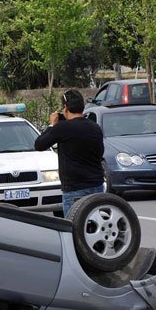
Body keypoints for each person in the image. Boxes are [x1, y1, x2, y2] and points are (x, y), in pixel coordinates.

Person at [34, 89, 104, 217]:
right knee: (93, 224)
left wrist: (52, 125)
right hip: (97, 186)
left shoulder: (62, 128)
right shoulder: (95, 128)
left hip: (74, 189)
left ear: (65, 107)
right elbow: (100, 153)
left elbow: (39, 145)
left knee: (74, 227)